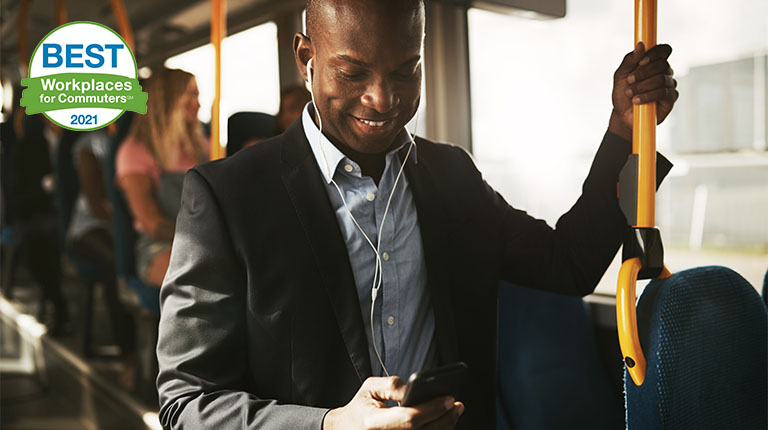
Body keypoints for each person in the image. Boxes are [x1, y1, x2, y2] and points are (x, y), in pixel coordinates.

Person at [156, 0, 678, 428]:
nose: (383, 99)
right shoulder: (227, 197)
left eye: (406, 71)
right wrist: (329, 425)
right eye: (352, 71)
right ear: (305, 57)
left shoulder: (450, 176)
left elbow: (569, 263)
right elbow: (186, 403)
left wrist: (625, 133)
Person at [115, 67, 208, 289]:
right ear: (169, 100)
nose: (199, 104)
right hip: (160, 245)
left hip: (209, 241)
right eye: (191, 95)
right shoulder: (136, 150)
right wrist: (207, 238)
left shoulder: (203, 147)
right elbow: (152, 224)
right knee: (203, 282)